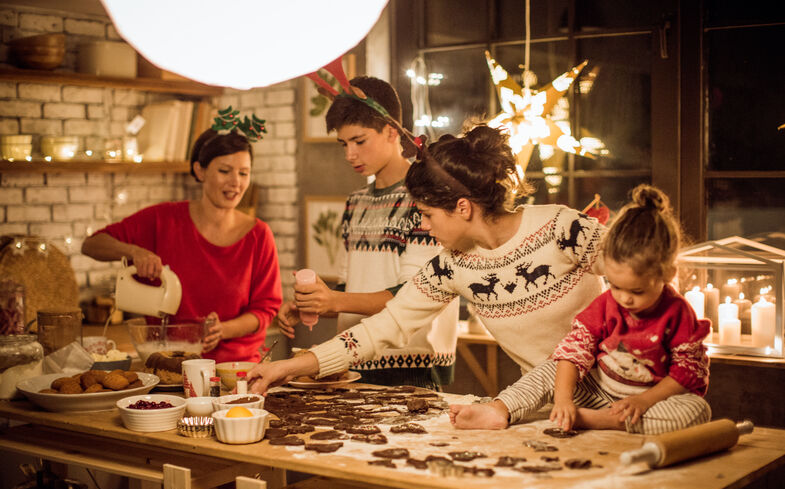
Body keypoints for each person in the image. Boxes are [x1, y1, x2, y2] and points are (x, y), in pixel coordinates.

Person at [248, 125, 606, 394]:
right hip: (546, 403)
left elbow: (648, 274)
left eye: (428, 214)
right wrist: (290, 368)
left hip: (633, 395)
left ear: (462, 208)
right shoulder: (450, 265)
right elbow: (382, 329)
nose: (422, 224)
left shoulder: (562, 226)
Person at [450, 185, 712, 435]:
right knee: (551, 367)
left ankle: (600, 421)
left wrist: (643, 402)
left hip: (651, 402)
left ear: (667, 273)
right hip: (596, 392)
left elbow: (687, 372)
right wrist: (564, 400)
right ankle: (500, 409)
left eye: (637, 291)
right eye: (616, 286)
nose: (624, 299)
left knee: (696, 411)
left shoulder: (678, 313)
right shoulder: (607, 304)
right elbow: (574, 352)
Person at [277, 76, 459, 389]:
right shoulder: (357, 201)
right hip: (351, 359)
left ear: (392, 131)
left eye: (359, 141)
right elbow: (349, 288)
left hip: (411, 365)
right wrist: (317, 303)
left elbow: (414, 295)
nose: (350, 154)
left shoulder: (426, 199)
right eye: (344, 144)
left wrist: (333, 301)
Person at [82, 128, 283, 365]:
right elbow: (92, 244)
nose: (236, 182)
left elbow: (265, 310)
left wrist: (224, 330)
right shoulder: (162, 220)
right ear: (200, 170)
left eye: (244, 173)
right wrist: (134, 252)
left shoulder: (259, 235)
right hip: (167, 367)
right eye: (224, 171)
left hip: (236, 371)